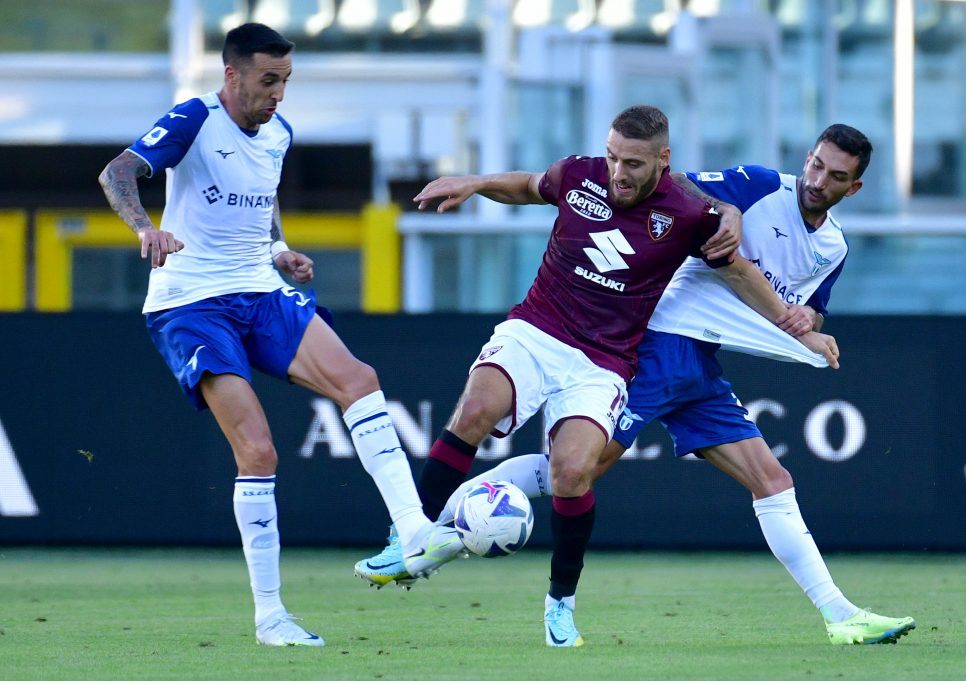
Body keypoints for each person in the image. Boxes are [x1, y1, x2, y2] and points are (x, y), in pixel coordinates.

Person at [354, 105, 838, 647]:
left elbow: (742, 275)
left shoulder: (686, 215)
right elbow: (529, 186)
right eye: (612, 156)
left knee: (574, 472)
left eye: (632, 162)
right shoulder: (579, 173)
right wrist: (476, 182)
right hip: (537, 328)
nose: (618, 172)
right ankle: (408, 536)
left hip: (603, 360)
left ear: (662, 160)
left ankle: (559, 605)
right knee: (475, 409)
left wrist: (798, 331)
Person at [432, 124, 916, 645]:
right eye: (816, 164)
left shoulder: (833, 249)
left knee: (772, 481)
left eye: (836, 175)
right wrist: (727, 211)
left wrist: (808, 325)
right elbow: (677, 182)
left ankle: (840, 616)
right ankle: (442, 530)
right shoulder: (758, 186)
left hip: (700, 362)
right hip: (659, 340)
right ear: (808, 157)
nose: (818, 180)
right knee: (576, 471)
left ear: (854, 188)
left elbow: (809, 316)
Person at [98, 22, 449, 648]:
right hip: (191, 303)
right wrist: (143, 229)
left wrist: (280, 248)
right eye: (268, 80)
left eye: (285, 81)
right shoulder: (193, 117)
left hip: (258, 288)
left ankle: (413, 529)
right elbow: (117, 173)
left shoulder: (278, 133)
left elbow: (263, 197)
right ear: (232, 75)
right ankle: (271, 617)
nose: (278, 94)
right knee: (258, 451)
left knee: (359, 380)